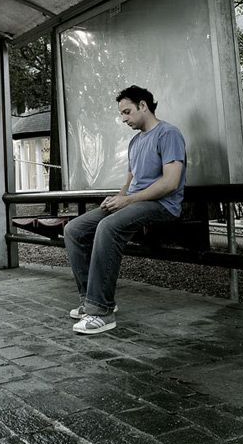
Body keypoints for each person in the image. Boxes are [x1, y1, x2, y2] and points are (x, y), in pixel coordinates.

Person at [64, 85, 186, 334]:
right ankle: (92, 300)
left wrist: (128, 201)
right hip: (135, 202)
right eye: (121, 114)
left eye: (127, 112)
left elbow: (170, 182)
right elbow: (130, 183)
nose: (123, 119)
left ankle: (102, 312)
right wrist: (118, 198)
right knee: (74, 229)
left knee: (108, 227)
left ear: (143, 106)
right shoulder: (135, 142)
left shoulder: (168, 134)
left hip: (162, 205)